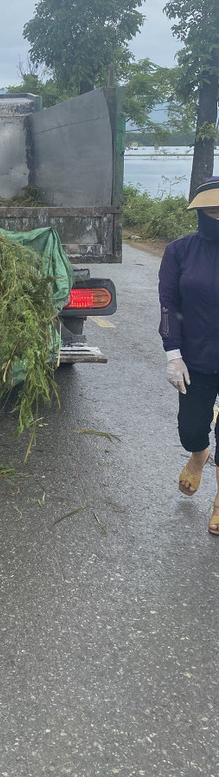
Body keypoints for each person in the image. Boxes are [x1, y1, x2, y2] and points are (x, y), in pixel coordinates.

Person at [159, 176, 219, 534]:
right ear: (199, 213)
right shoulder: (179, 251)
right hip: (195, 358)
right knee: (191, 430)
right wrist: (173, 353)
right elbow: (169, 304)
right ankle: (199, 455)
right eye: (211, 211)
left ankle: (218, 504)